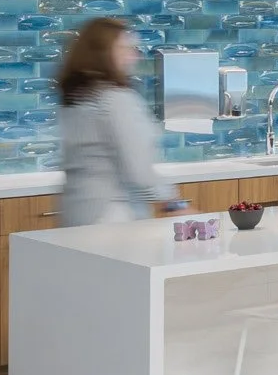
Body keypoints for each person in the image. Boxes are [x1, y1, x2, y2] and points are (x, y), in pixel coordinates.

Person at [55, 17, 184, 228]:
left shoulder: (76, 97)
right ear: (103, 53)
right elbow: (139, 173)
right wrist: (174, 203)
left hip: (75, 213)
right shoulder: (116, 99)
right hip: (113, 217)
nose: (134, 56)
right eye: (125, 48)